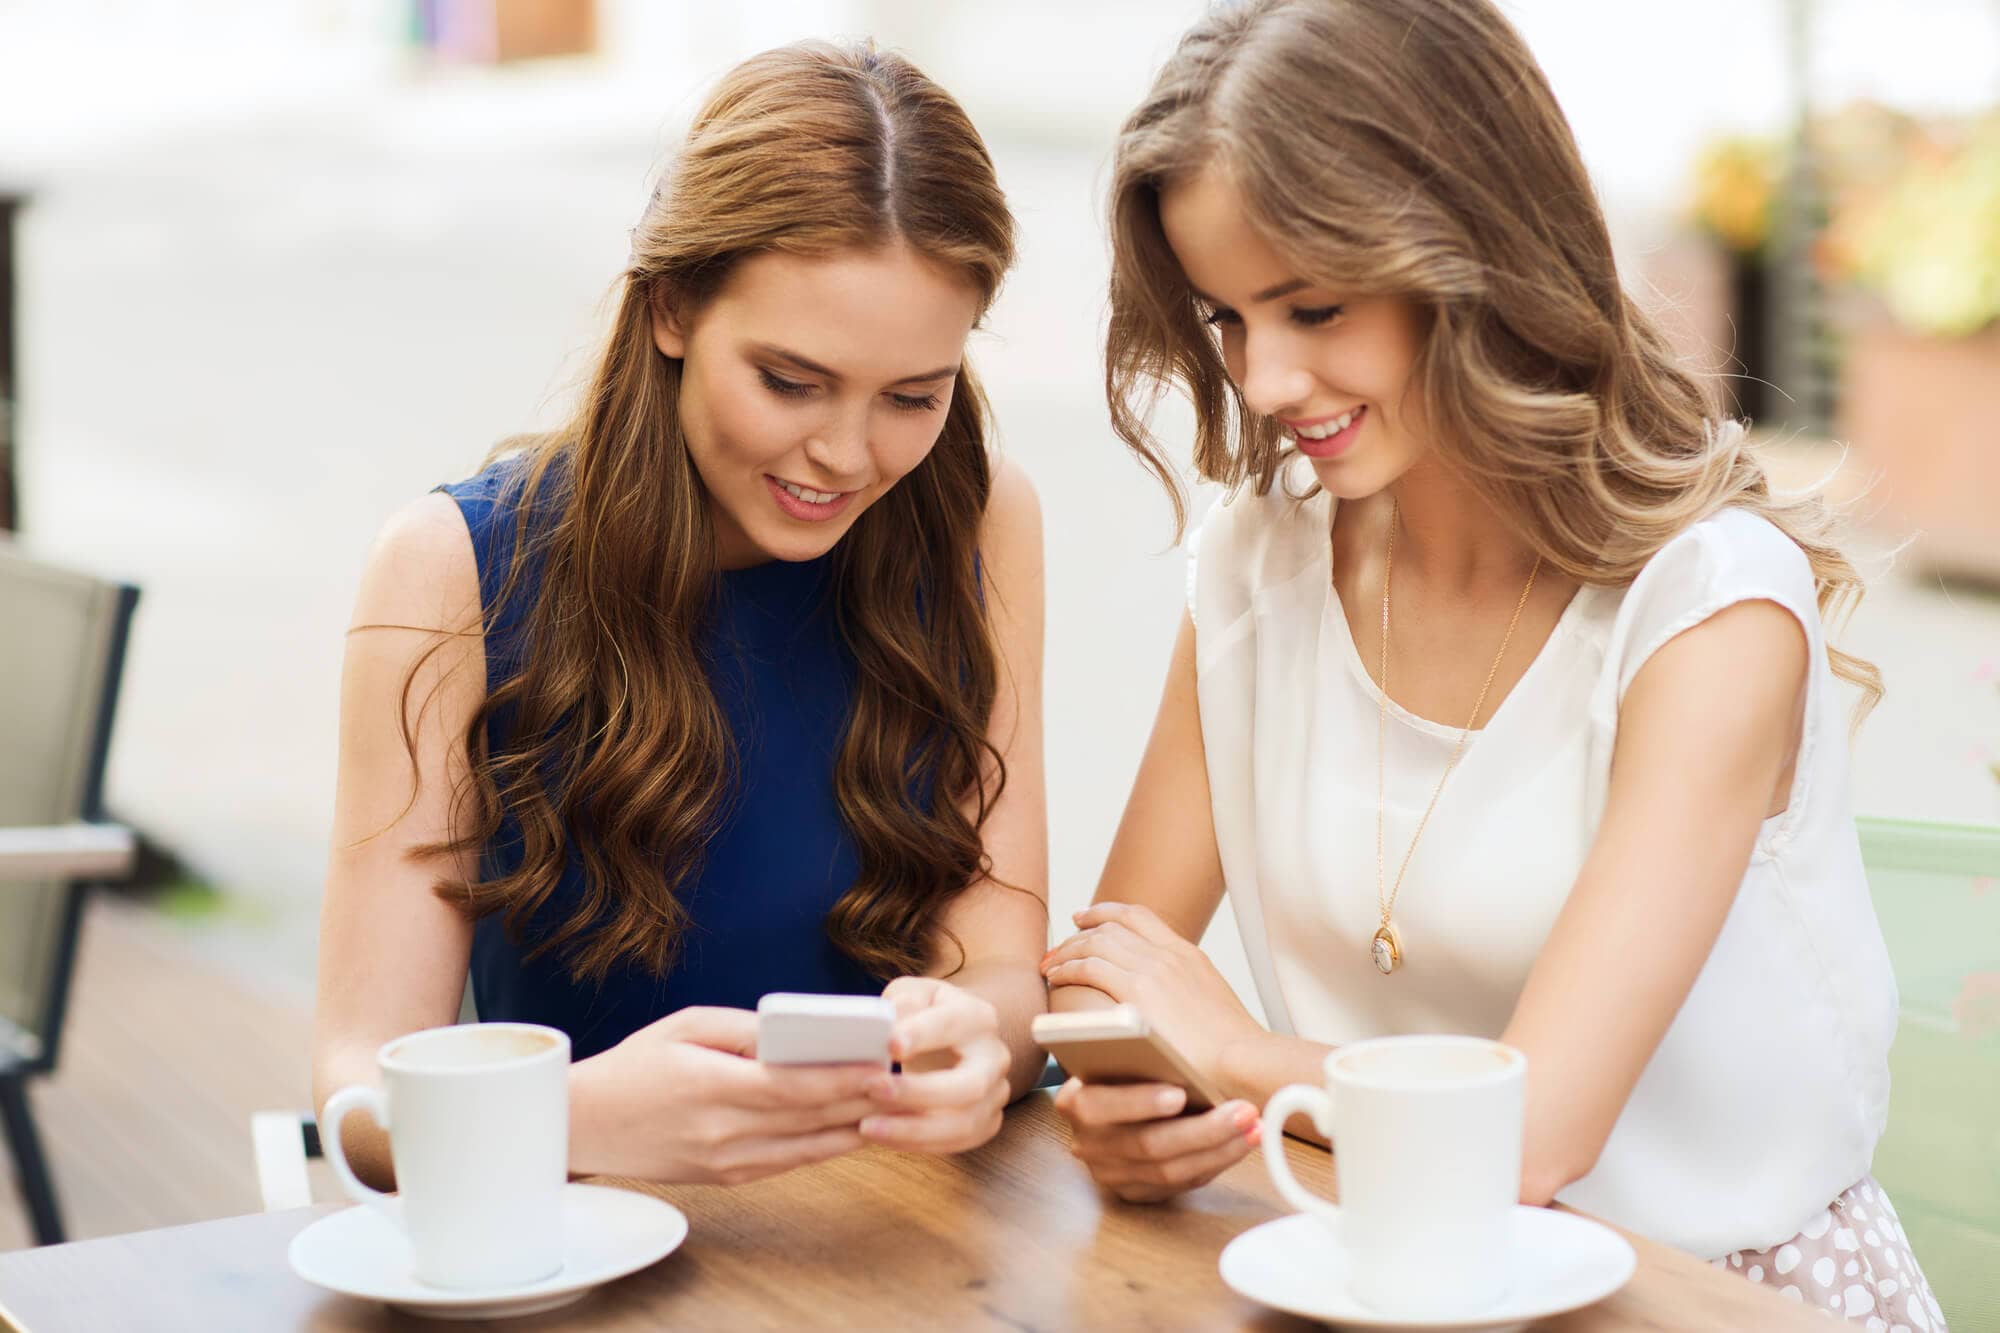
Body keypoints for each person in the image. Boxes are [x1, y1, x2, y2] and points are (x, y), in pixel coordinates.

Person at [1044, 2, 1942, 1324]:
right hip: (1395, 1265)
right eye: (1226, 317)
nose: (1266, 378)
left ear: (1474, 253)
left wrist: (1230, 1056)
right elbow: (1111, 983)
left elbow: (1527, 1141)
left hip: (1705, 1296)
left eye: (1314, 306)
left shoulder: (1710, 607)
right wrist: (1130, 1105)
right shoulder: (1256, 565)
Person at [316, 40, 1049, 1192]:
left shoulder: (977, 514)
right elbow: (358, 1090)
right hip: (589, 1238)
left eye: (914, 395)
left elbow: (1002, 966)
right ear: (669, 307)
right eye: (790, 382)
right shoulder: (449, 568)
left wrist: (982, 1045)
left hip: (901, 1226)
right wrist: (572, 1119)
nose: (846, 454)